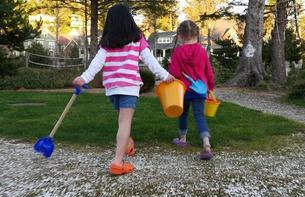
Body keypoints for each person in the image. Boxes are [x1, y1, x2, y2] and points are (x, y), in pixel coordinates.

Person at [73, 4, 174, 175]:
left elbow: (96, 64)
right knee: (124, 122)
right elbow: (150, 61)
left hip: (112, 88)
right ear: (129, 20)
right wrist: (165, 76)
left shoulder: (107, 42)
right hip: (128, 86)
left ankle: (127, 144)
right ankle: (118, 162)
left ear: (110, 23)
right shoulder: (137, 39)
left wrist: (84, 78)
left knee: (121, 121)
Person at [169, 20, 215, 160]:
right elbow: (208, 71)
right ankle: (206, 143)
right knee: (199, 116)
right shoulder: (201, 51)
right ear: (196, 34)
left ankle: (182, 139)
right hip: (200, 89)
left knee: (182, 114)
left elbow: (175, 73)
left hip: (183, 90)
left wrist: (171, 66)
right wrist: (211, 87)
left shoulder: (177, 52)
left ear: (181, 35)